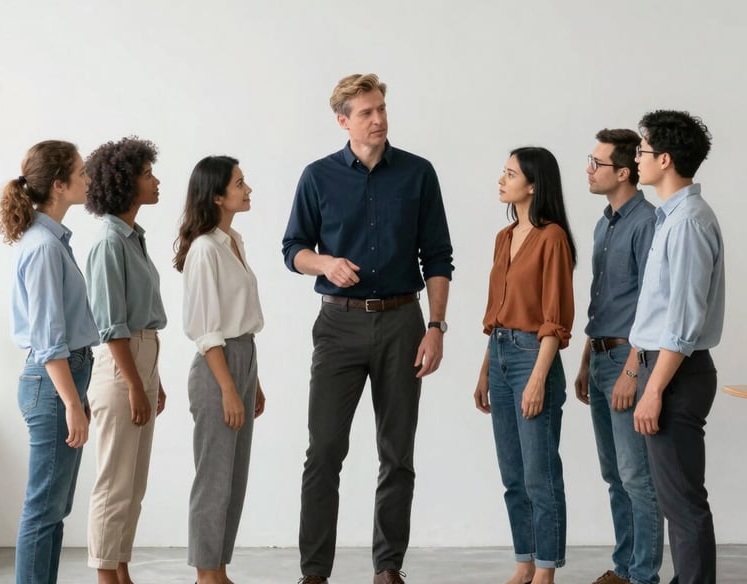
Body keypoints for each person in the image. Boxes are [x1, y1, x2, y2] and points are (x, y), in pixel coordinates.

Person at [282, 73, 454, 584]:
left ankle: (388, 569)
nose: (378, 119)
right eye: (365, 112)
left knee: (397, 452)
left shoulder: (419, 174)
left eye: (381, 108)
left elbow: (439, 257)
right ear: (343, 121)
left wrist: (437, 326)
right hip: (338, 325)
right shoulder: (317, 177)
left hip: (405, 321)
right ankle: (314, 573)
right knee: (324, 452)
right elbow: (293, 248)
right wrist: (325, 264)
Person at [0, 140, 99, 584]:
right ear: (59, 184)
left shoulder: (52, 241)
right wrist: (72, 402)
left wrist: (77, 396)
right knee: (43, 508)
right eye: (81, 172)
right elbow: (48, 339)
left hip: (64, 379)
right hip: (52, 381)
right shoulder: (42, 247)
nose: (88, 179)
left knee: (57, 508)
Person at [630, 110, 724, 584]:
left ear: (664, 160)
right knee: (675, 500)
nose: (636, 158)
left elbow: (682, 325)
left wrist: (653, 390)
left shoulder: (687, 223)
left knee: (684, 503)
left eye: (642, 151)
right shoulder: (674, 218)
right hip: (667, 371)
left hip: (675, 375)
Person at [473, 147, 575, 584]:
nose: (501, 179)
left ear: (532, 184)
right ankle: (524, 562)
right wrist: (484, 371)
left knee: (540, 473)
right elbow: (496, 310)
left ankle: (546, 572)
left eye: (510, 173)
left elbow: (556, 318)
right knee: (512, 473)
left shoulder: (552, 238)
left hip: (535, 356)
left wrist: (538, 379)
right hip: (499, 354)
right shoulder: (503, 236)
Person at [574, 129, 663, 584]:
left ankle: (644, 575)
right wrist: (587, 359)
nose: (588, 170)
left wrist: (632, 369)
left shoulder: (646, 222)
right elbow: (602, 300)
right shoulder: (603, 223)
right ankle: (625, 568)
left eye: (597, 163)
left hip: (632, 359)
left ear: (624, 172)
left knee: (637, 477)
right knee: (614, 474)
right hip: (602, 355)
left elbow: (653, 304)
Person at [174, 155, 266, 584]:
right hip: (218, 366)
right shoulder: (205, 249)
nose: (247, 189)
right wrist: (229, 388)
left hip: (242, 358)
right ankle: (206, 575)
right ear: (216, 195)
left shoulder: (233, 241)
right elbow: (207, 330)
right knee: (213, 477)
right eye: (240, 183)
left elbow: (239, 318)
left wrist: (253, 381)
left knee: (236, 476)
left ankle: (219, 570)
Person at [84, 137, 167, 584]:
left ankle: (120, 569)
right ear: (125, 182)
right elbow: (111, 326)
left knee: (133, 484)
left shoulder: (134, 238)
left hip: (144, 356)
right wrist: (136, 384)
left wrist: (154, 378)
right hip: (122, 364)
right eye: (148, 174)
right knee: (114, 482)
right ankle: (104, 576)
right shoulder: (108, 244)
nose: (156, 181)